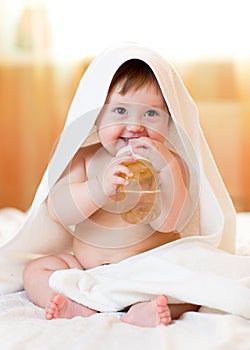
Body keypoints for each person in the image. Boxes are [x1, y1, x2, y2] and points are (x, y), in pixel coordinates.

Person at [23, 56, 199, 327]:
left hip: (147, 271)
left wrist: (166, 171)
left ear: (170, 121)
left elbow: (169, 223)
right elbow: (59, 211)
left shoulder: (171, 164)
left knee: (193, 283)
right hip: (87, 270)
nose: (136, 126)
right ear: (95, 115)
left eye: (151, 114)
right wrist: (99, 189)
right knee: (36, 270)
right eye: (120, 111)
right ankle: (74, 306)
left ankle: (144, 309)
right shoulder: (82, 158)